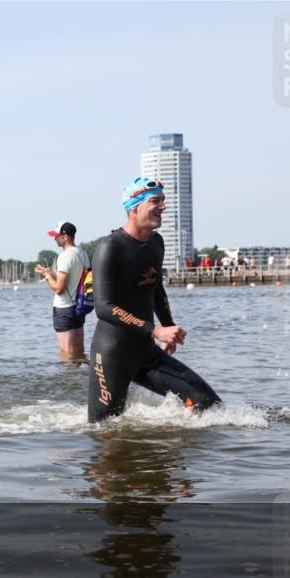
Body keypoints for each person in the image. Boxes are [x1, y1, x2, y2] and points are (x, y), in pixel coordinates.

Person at [88, 177, 221, 422]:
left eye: (163, 200)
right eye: (155, 201)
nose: (163, 206)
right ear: (134, 208)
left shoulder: (156, 243)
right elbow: (104, 308)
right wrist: (155, 331)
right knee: (105, 430)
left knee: (207, 404)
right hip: (112, 354)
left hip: (145, 351)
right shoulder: (110, 247)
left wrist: (168, 326)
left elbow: (156, 289)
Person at [34, 221, 90, 361]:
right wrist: (51, 273)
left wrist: (46, 276)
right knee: (79, 352)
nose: (55, 239)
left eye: (57, 236)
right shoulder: (83, 254)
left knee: (67, 355)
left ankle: (67, 382)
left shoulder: (64, 256)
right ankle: (81, 379)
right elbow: (75, 279)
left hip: (64, 308)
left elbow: (59, 289)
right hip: (79, 306)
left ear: (65, 237)